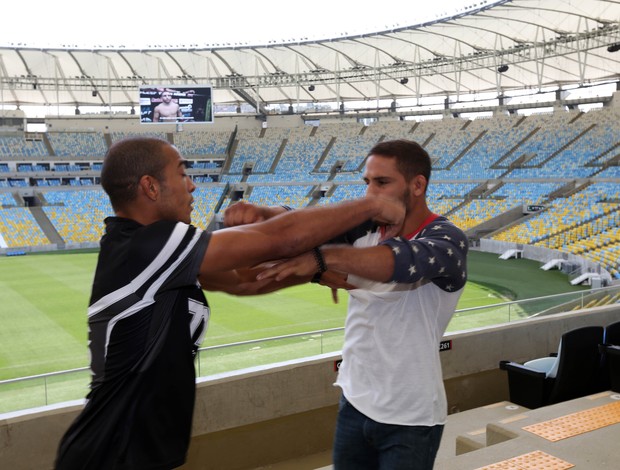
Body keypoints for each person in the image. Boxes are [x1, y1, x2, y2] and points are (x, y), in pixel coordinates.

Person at [54, 137, 405, 470]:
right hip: (107, 455)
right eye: (182, 173)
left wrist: (315, 268)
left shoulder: (153, 253)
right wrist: (370, 205)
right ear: (150, 186)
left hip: (128, 454)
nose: (192, 186)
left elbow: (245, 282)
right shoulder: (147, 244)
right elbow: (280, 238)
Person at [237, 139, 468, 470]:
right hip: (354, 401)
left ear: (418, 185)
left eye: (382, 182)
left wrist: (321, 259)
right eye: (367, 182)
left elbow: (398, 263)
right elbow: (303, 230)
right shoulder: (365, 229)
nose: (371, 194)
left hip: (411, 417)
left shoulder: (447, 240)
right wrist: (267, 216)